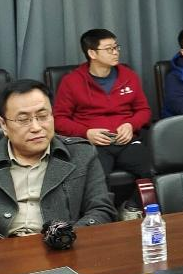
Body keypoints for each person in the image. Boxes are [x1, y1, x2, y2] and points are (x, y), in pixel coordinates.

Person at [0, 79, 115, 246]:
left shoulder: (82, 154)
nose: (36, 127)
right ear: (4, 125)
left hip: (63, 251)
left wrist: (63, 238)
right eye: (23, 120)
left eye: (43, 116)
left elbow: (101, 210)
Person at [52, 29, 153, 179]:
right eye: (109, 49)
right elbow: (59, 119)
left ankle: (139, 196)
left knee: (149, 170)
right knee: (96, 179)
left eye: (116, 47)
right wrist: (86, 133)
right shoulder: (71, 81)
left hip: (126, 140)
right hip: (93, 143)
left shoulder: (129, 76)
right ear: (92, 53)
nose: (115, 52)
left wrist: (131, 125)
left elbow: (144, 110)